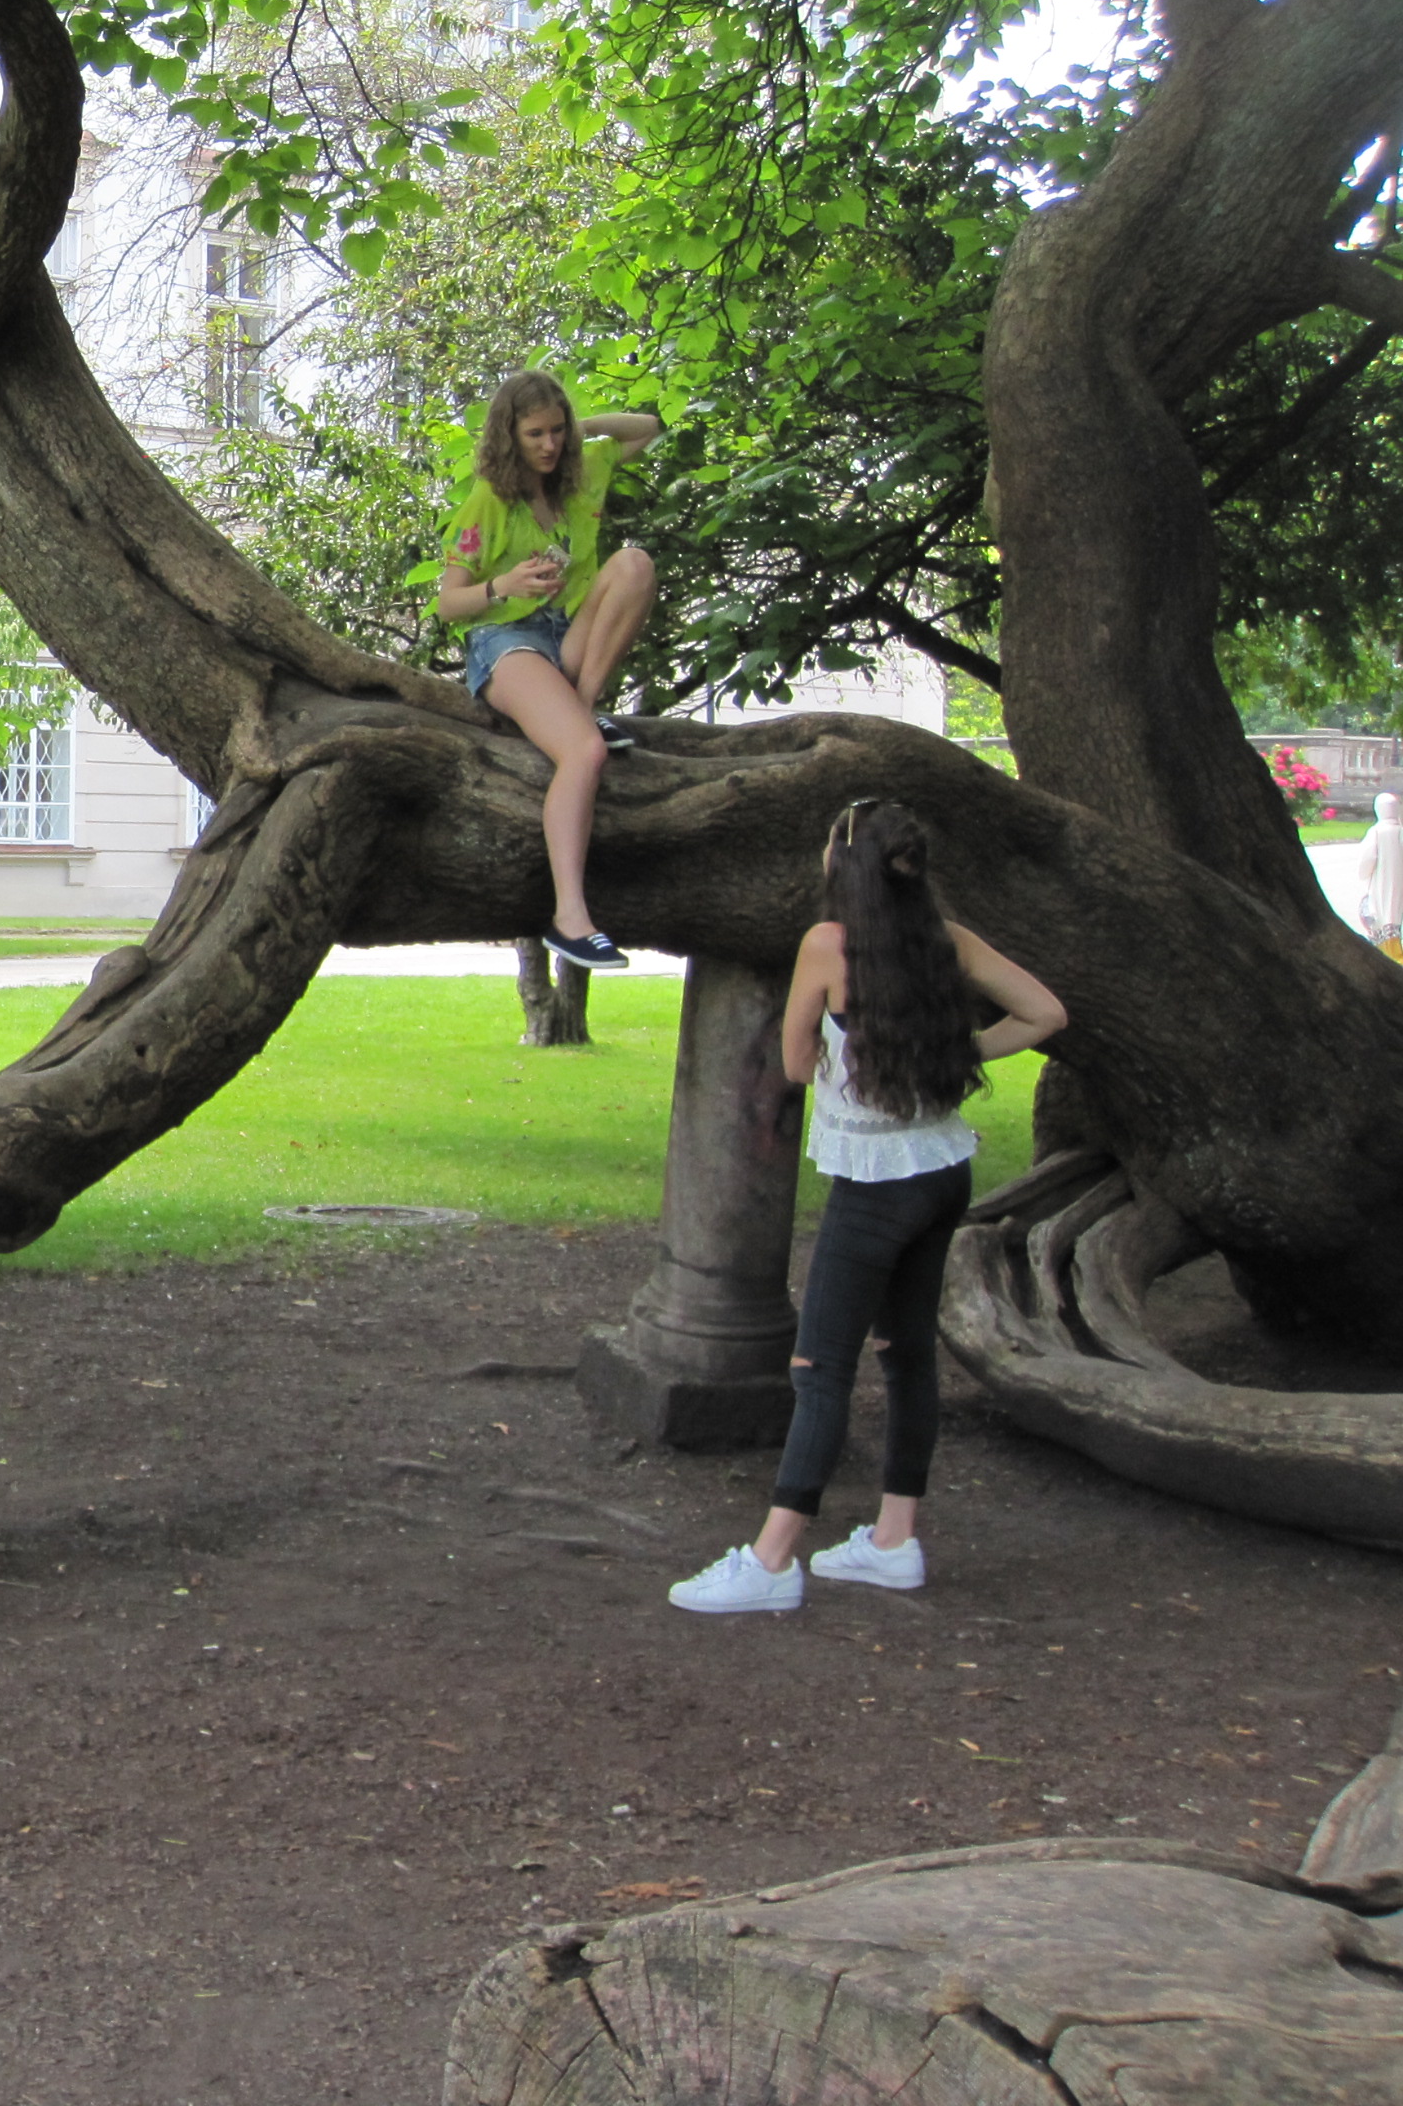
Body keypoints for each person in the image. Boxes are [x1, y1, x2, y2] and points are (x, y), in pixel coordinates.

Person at [669, 800, 1066, 1615]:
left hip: (876, 1186)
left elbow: (795, 1059)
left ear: (842, 863)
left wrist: (853, 1054)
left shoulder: (827, 945)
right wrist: (956, 1051)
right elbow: (1045, 1013)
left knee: (819, 1369)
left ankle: (772, 1562)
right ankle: (893, 1541)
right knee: (906, 1355)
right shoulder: (949, 941)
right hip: (940, 1171)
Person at [433, 369, 663, 971]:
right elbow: (448, 603)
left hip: (567, 634)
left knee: (635, 565)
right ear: (509, 435)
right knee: (584, 753)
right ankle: (570, 919)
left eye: (557, 431)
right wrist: (502, 585)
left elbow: (648, 427)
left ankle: (583, 705)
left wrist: (582, 430)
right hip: (507, 642)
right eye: (535, 433)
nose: (550, 444)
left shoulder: (581, 476)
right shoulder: (490, 499)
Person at [1358, 791, 1403, 962]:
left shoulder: (1376, 832)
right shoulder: (1401, 831)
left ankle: (1388, 955)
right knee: (1395, 915)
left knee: (1381, 916)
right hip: (1399, 883)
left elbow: (1367, 860)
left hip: (1380, 884)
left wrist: (1363, 874)